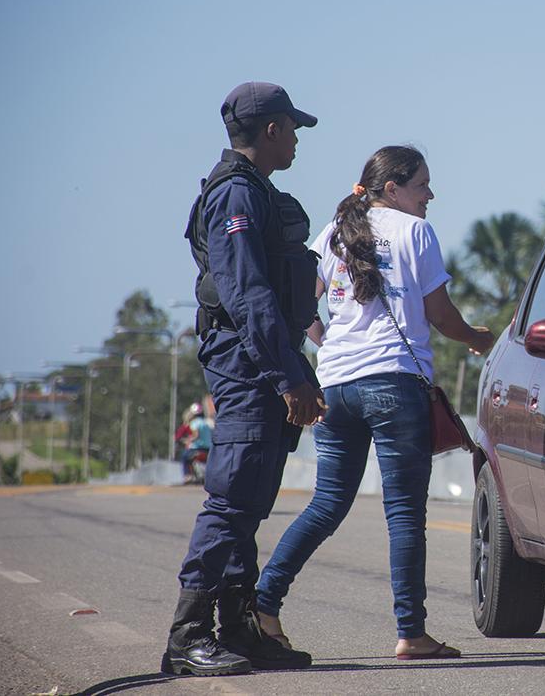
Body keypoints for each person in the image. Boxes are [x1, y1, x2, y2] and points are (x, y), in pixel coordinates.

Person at [253, 145, 495, 660]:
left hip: (336, 387)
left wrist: (330, 344)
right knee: (405, 513)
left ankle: (263, 601)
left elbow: (300, 305)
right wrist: (477, 338)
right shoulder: (416, 232)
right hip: (394, 384)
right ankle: (411, 632)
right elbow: (441, 315)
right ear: (393, 188)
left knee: (326, 504)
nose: (431, 194)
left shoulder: (336, 227)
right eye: (423, 184)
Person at [163, 82, 326, 677]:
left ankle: (236, 628)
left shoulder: (253, 190)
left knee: (250, 500)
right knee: (232, 500)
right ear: (273, 129)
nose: (298, 141)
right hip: (247, 364)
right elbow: (247, 294)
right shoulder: (235, 194)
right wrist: (287, 377)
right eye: (294, 129)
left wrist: (294, 368)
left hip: (264, 359)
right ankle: (187, 637)